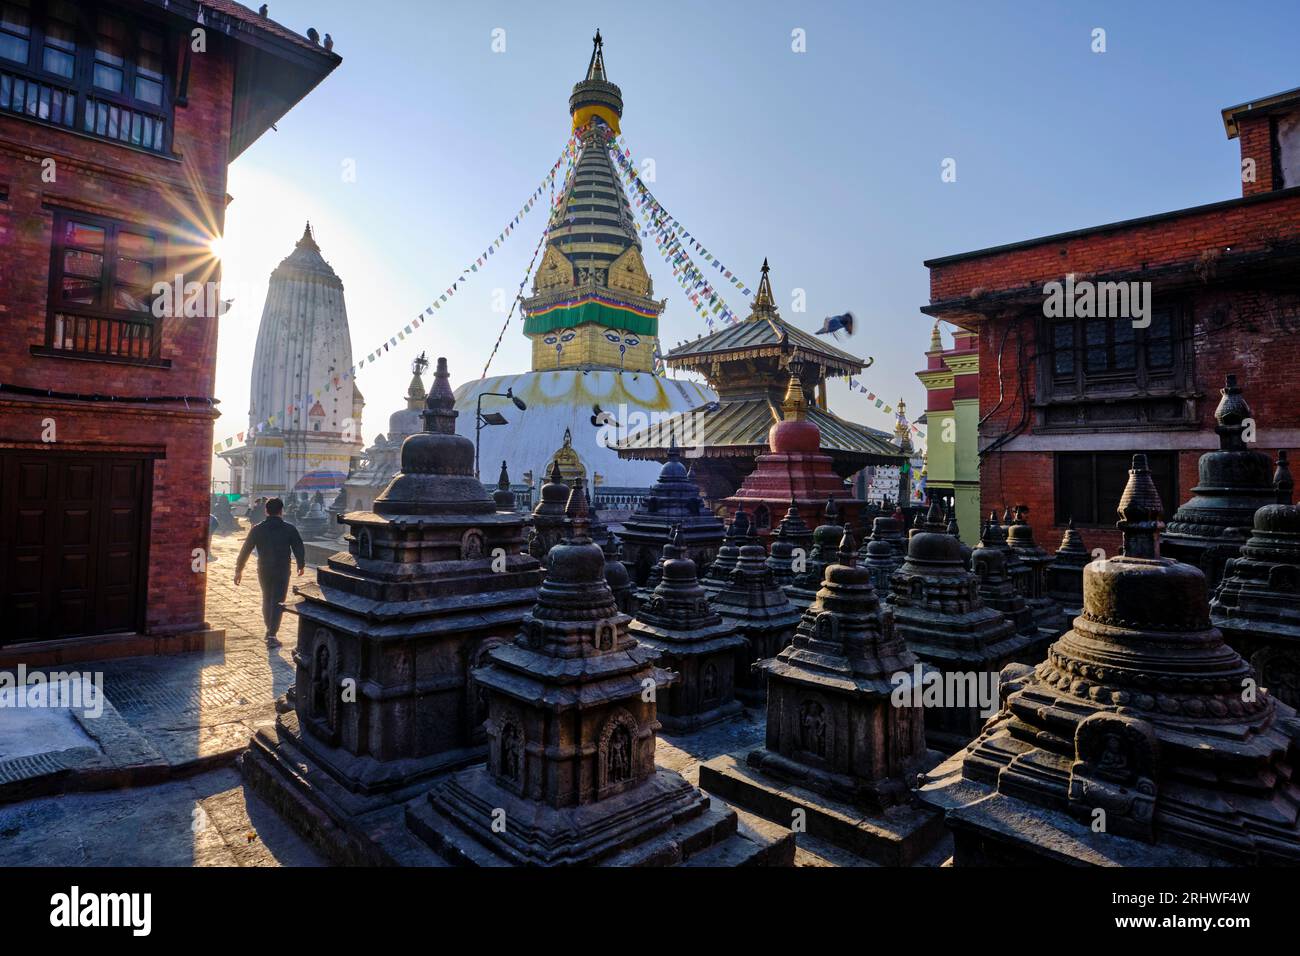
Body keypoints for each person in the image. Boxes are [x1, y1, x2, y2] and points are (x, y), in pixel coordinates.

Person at [234, 497, 305, 647]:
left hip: (264, 568)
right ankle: (272, 634)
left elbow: (246, 550)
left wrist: (239, 570)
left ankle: (269, 630)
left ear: (266, 511)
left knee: (267, 598)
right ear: (281, 511)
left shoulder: (258, 529)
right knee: (278, 600)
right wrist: (301, 564)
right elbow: (298, 546)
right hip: (282, 569)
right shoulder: (289, 528)